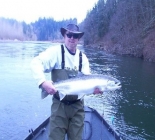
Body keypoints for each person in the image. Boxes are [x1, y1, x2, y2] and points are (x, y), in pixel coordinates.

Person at [31, 24, 102, 140]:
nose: (72, 38)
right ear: (64, 36)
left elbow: (87, 82)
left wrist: (94, 90)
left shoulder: (83, 58)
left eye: (75, 36)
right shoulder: (55, 52)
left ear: (78, 39)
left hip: (78, 108)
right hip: (59, 106)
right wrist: (43, 82)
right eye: (69, 35)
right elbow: (36, 62)